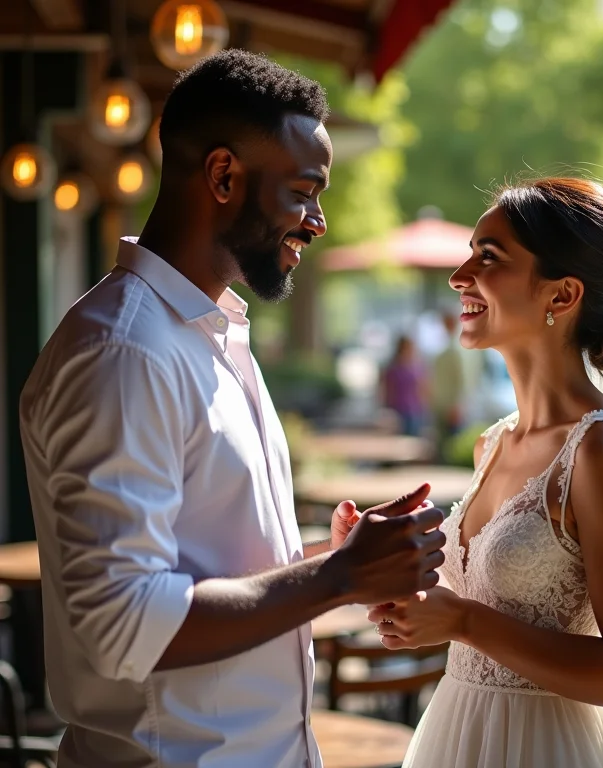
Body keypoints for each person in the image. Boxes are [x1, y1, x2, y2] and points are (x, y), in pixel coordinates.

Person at [19, 50, 445, 768]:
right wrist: (339, 579)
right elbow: (124, 625)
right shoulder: (127, 353)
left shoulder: (209, 336)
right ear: (222, 176)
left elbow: (203, 565)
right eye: (305, 191)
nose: (317, 221)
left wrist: (335, 559)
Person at [368, 178, 603, 768]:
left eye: (489, 257)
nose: (460, 276)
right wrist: (390, 580)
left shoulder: (600, 451)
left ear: (560, 296)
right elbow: (491, 606)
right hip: (459, 737)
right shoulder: (493, 443)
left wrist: (460, 620)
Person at [431, 312, 467, 459]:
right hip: (441, 403)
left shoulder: (457, 348)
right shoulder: (447, 346)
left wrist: (457, 405)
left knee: (450, 446)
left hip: (450, 406)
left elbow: (460, 380)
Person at [381, 335, 429, 436]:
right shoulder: (393, 368)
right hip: (397, 409)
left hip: (415, 409)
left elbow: (423, 388)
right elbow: (386, 389)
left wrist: (425, 405)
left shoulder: (417, 367)